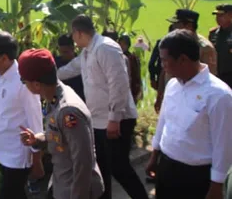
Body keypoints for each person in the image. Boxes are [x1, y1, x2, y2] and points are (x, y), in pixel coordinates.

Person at [57, 15, 148, 199]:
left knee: (119, 167)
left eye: (73, 34)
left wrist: (114, 119)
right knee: (102, 168)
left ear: (79, 32)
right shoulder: (87, 52)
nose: (73, 39)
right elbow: (70, 69)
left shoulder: (106, 48)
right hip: (97, 120)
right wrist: (48, 77)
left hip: (116, 119)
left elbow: (119, 84)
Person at [146, 29, 232, 199]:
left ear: (183, 59)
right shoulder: (173, 85)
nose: (162, 65)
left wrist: (216, 186)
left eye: (164, 60)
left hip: (196, 177)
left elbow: (224, 145)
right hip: (167, 168)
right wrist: (154, 156)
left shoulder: (219, 95)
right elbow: (163, 122)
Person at [18, 48, 104, 199]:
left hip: (76, 190)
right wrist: (38, 139)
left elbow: (83, 162)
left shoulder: (68, 111)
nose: (24, 85)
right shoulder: (54, 97)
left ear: (37, 84)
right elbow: (61, 136)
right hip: (62, 184)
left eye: (24, 81)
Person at [0, 31, 43, 199]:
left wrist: (37, 160)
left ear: (4, 58)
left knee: (8, 194)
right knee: (17, 194)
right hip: (3, 151)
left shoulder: (23, 82)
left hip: (19, 155)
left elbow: (36, 123)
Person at [155, 9, 218, 110]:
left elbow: (208, 78)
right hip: (173, 94)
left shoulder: (204, 47)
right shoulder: (172, 43)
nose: (174, 27)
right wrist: (160, 94)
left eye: (177, 24)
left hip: (193, 100)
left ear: (189, 26)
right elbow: (165, 71)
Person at [149, 25, 174, 114]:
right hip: (165, 75)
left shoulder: (161, 42)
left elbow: (152, 62)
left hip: (162, 76)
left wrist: (153, 78)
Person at [54, 34, 85, 101]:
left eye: (65, 52)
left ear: (73, 49)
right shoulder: (55, 63)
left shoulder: (81, 64)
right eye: (60, 52)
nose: (62, 54)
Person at [209, 4, 232, 88]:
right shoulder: (213, 33)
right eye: (217, 16)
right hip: (218, 74)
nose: (218, 18)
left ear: (230, 15)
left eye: (221, 15)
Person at [118, 35, 142, 104]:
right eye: (120, 44)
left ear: (128, 45)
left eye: (124, 44)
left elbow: (137, 73)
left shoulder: (132, 58)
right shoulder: (116, 57)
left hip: (132, 86)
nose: (122, 46)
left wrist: (139, 88)